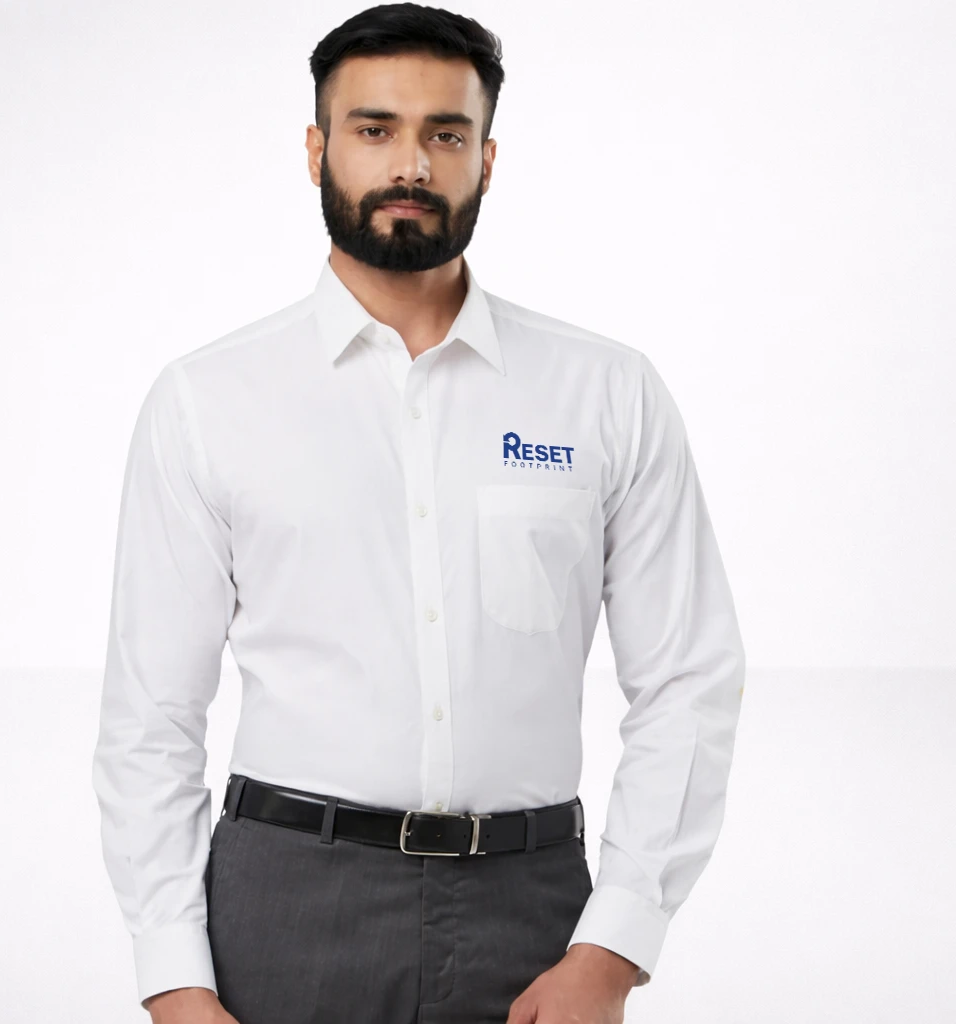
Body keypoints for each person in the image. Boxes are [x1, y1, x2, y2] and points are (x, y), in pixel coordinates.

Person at [91, 4, 746, 1022]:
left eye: (446, 133)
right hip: (285, 899)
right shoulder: (208, 401)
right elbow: (151, 718)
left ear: (487, 158)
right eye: (374, 129)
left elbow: (688, 680)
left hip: (533, 905)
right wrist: (174, 981)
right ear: (318, 149)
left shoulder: (604, 393)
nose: (411, 164)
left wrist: (613, 948)